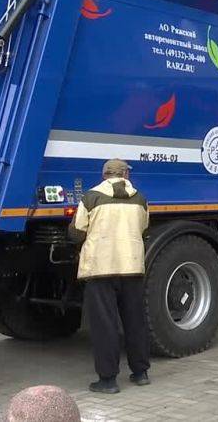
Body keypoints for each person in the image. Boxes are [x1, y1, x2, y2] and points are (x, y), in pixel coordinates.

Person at [69, 159, 151, 394]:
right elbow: (144, 226)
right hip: (132, 267)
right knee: (135, 320)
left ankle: (108, 380)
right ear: (125, 174)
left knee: (105, 324)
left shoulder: (90, 197)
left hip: (101, 268)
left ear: (104, 175)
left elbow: (77, 232)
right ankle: (140, 373)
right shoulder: (140, 199)